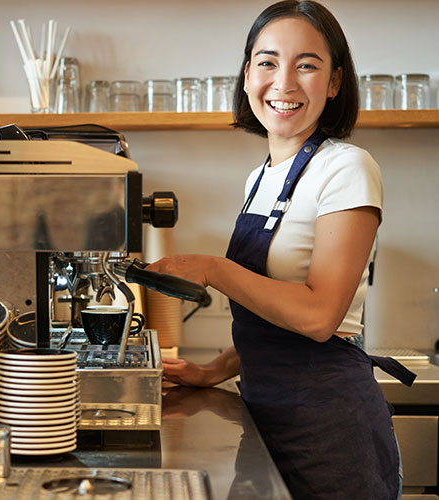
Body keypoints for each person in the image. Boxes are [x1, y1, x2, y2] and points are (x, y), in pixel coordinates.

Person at [147, 2, 415, 499]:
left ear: (334, 82)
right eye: (268, 62)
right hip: (265, 414)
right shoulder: (260, 177)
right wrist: (213, 371)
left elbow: (317, 317)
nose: (284, 82)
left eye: (307, 65)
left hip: (330, 427)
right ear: (248, 74)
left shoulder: (349, 167)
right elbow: (270, 321)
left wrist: (211, 268)